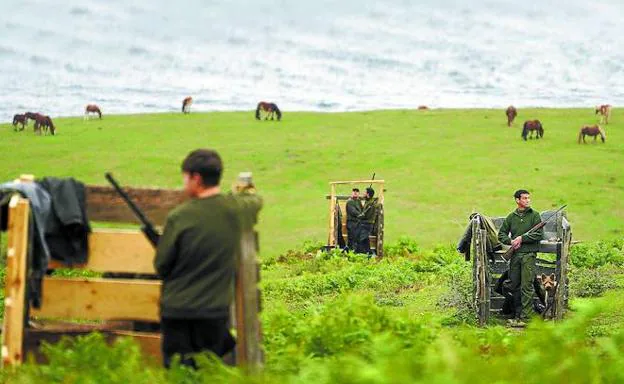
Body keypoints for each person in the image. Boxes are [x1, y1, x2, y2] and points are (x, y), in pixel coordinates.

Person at [154, 149, 262, 369]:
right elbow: (255, 200)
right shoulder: (235, 209)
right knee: (209, 371)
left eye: (185, 177)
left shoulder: (179, 216)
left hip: (177, 311)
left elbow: (161, 265)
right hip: (214, 311)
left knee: (177, 372)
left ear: (196, 178)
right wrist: (242, 191)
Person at [497, 189, 543, 325]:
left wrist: (522, 238)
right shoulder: (511, 217)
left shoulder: (535, 215)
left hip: (529, 255)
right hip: (515, 256)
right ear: (517, 200)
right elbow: (502, 235)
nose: (528, 200)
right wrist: (511, 241)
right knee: (513, 285)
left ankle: (526, 317)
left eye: (529, 198)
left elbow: (539, 235)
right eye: (525, 198)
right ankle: (517, 315)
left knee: (527, 286)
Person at [356, 187, 377, 255]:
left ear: (368, 194)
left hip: (367, 224)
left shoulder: (371, 204)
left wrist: (359, 217)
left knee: (361, 239)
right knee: (365, 239)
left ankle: (362, 254)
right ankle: (369, 253)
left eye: (365, 192)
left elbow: (366, 216)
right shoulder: (368, 202)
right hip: (365, 223)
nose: (363, 193)